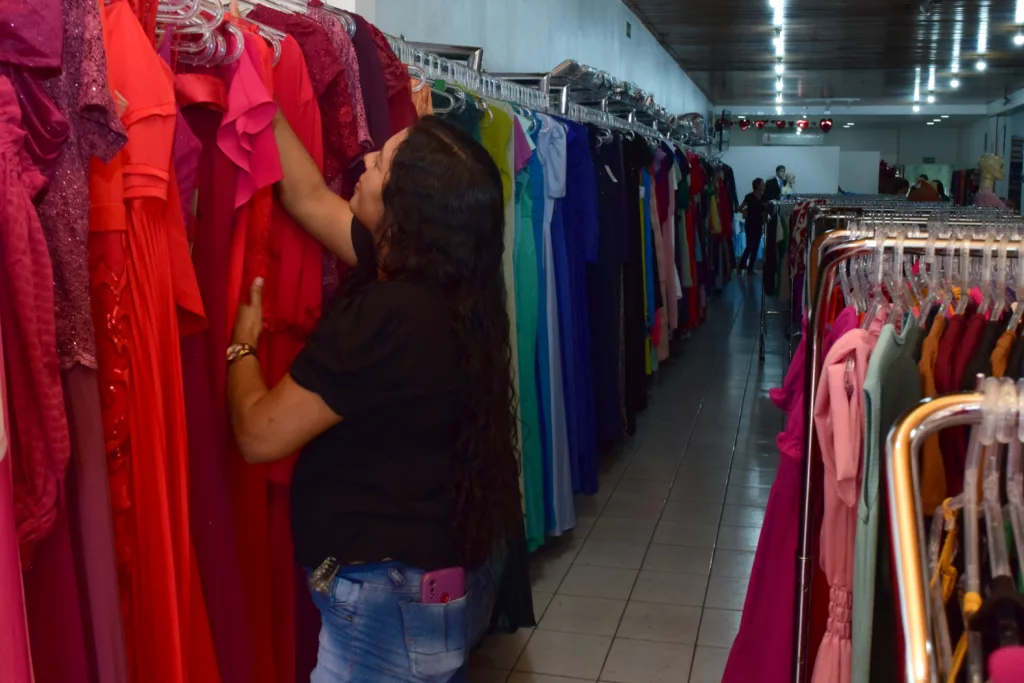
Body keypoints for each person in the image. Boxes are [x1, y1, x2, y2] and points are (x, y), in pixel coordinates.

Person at [227, 114, 522, 682]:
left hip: (386, 603)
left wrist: (241, 348)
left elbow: (259, 434)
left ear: (407, 209)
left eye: (381, 163)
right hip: (433, 582)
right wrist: (255, 89)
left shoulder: (388, 318)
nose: (364, 164)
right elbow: (310, 196)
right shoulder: (449, 288)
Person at [738, 178, 767, 273]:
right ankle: (741, 265)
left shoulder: (764, 197)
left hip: (758, 224)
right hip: (750, 223)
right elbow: (740, 208)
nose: (764, 185)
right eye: (762, 183)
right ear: (757, 185)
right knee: (750, 245)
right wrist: (745, 212)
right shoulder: (749, 197)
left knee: (756, 246)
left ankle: (750, 268)